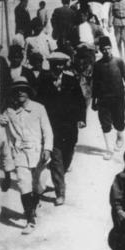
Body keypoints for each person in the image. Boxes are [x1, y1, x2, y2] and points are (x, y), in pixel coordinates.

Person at [0, 78, 53, 234]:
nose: (20, 92)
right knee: (24, 185)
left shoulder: (39, 108)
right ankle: (30, 220)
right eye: (17, 90)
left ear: (29, 92)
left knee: (39, 186)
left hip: (38, 153)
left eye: (23, 89)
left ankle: (32, 207)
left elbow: (47, 131)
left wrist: (47, 148)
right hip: (20, 153)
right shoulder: (8, 111)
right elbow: (3, 135)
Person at [36, 52, 86, 206]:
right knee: (56, 157)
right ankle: (60, 192)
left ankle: (59, 177)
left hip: (69, 128)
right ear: (50, 64)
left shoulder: (71, 80)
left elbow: (80, 101)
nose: (58, 67)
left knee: (67, 156)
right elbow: (37, 102)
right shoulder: (43, 81)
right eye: (55, 64)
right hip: (52, 128)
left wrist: (81, 118)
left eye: (61, 64)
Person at [92, 36, 125, 160]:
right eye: (104, 49)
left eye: (108, 48)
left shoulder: (119, 62)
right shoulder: (97, 65)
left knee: (119, 122)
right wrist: (94, 100)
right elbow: (94, 83)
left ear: (111, 48)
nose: (106, 51)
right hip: (103, 99)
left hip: (118, 98)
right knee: (105, 124)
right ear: (100, 50)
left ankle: (120, 136)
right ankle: (109, 149)